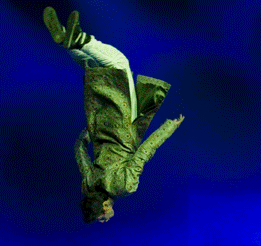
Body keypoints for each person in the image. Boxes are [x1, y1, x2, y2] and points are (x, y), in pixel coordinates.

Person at [42, 7, 184, 223]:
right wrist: (85, 136)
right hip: (99, 122)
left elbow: (145, 152)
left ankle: (79, 39)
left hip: (123, 121)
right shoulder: (89, 183)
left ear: (104, 206)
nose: (105, 219)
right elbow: (79, 152)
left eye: (102, 217)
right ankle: (63, 37)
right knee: (94, 71)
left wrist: (170, 127)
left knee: (118, 65)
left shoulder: (124, 186)